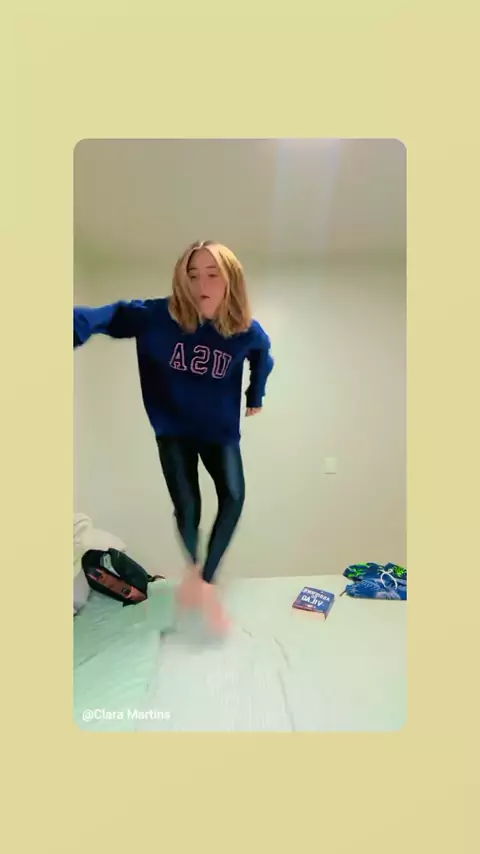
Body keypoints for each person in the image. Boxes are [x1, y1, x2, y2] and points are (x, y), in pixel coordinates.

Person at [74, 240, 274, 633]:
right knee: (188, 506)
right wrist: (76, 325)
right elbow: (111, 315)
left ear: (230, 280)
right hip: (173, 431)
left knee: (234, 496)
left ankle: (204, 582)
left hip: (219, 432)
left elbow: (263, 356)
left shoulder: (245, 330)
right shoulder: (157, 316)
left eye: (212, 275)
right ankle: (196, 573)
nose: (201, 285)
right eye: (192, 275)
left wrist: (255, 394)